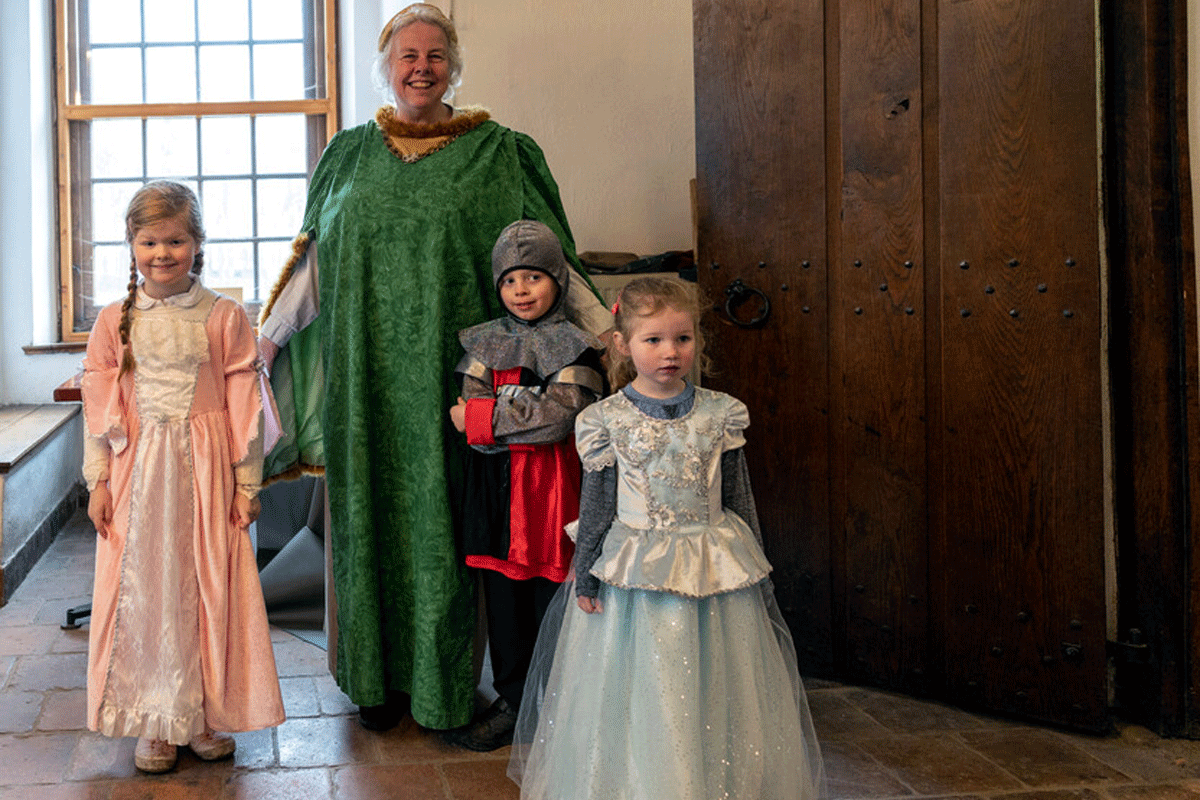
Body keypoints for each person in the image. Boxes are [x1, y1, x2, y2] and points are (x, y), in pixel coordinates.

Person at [256, 3, 612, 733]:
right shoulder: (348, 156)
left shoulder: (501, 153)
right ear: (385, 65)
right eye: (407, 55)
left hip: (464, 386)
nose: (421, 67)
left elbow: (551, 260)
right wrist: (268, 337)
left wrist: (608, 336)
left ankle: (445, 690)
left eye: (435, 55)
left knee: (452, 531)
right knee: (368, 525)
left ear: (455, 66)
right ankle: (375, 687)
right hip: (366, 384)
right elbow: (314, 265)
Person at [508, 276, 826, 799]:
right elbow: (596, 506)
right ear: (623, 344)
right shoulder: (605, 420)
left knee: (717, 685)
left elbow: (739, 498)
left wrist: (759, 567)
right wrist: (584, 572)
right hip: (637, 574)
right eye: (653, 340)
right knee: (647, 689)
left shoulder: (721, 412)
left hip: (715, 566)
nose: (670, 352)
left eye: (682, 338)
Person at [81, 181, 284, 774]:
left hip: (205, 477)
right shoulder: (115, 320)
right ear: (132, 246)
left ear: (198, 244)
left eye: (176, 240)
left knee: (206, 589)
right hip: (137, 475)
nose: (163, 253)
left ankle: (200, 716)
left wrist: (248, 485)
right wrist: (98, 482)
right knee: (147, 595)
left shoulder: (223, 317)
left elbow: (245, 405)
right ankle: (154, 719)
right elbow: (99, 406)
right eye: (150, 241)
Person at [444, 220, 605, 751]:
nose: (521, 290)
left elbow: (561, 417)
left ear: (557, 279)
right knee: (505, 604)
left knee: (552, 601)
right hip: (496, 493)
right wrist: (497, 418)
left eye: (534, 277)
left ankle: (559, 705)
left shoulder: (577, 347)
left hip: (553, 494)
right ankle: (513, 701)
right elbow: (467, 420)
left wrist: (487, 418)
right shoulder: (482, 342)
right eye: (511, 280)